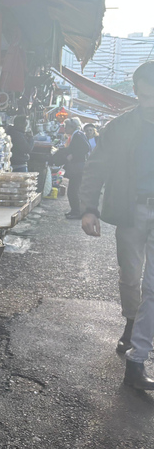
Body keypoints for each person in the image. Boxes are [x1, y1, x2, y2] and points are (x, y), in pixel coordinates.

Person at [80, 61, 154, 390]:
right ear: (137, 92)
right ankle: (131, 323)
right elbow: (96, 167)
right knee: (130, 276)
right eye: (145, 95)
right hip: (131, 212)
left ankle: (138, 355)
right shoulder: (120, 127)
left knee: (153, 287)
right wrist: (89, 208)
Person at [52, 117, 90, 219]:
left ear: (71, 127)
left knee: (73, 191)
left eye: (66, 126)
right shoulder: (76, 135)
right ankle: (74, 211)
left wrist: (73, 155)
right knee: (73, 190)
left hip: (78, 167)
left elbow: (86, 147)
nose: (64, 129)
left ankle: (76, 212)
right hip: (78, 166)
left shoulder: (78, 135)